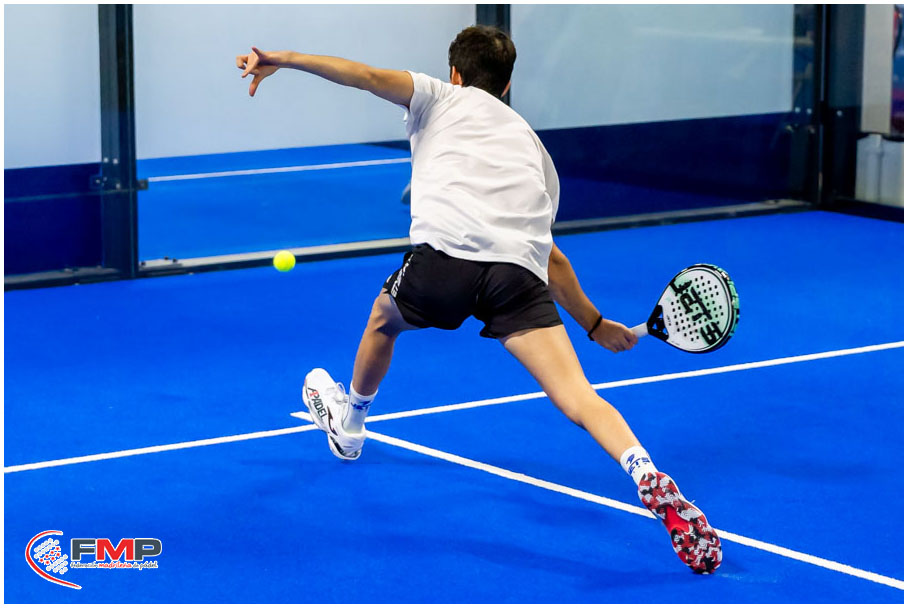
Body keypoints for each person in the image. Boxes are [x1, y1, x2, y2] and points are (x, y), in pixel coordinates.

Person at [236, 25, 721, 575]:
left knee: (382, 320)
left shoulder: (438, 96)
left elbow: (365, 76)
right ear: (508, 85)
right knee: (578, 396)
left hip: (445, 262)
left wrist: (285, 58)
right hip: (516, 275)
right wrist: (594, 324)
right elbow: (551, 259)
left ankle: (350, 426)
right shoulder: (534, 149)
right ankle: (644, 472)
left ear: (455, 74)